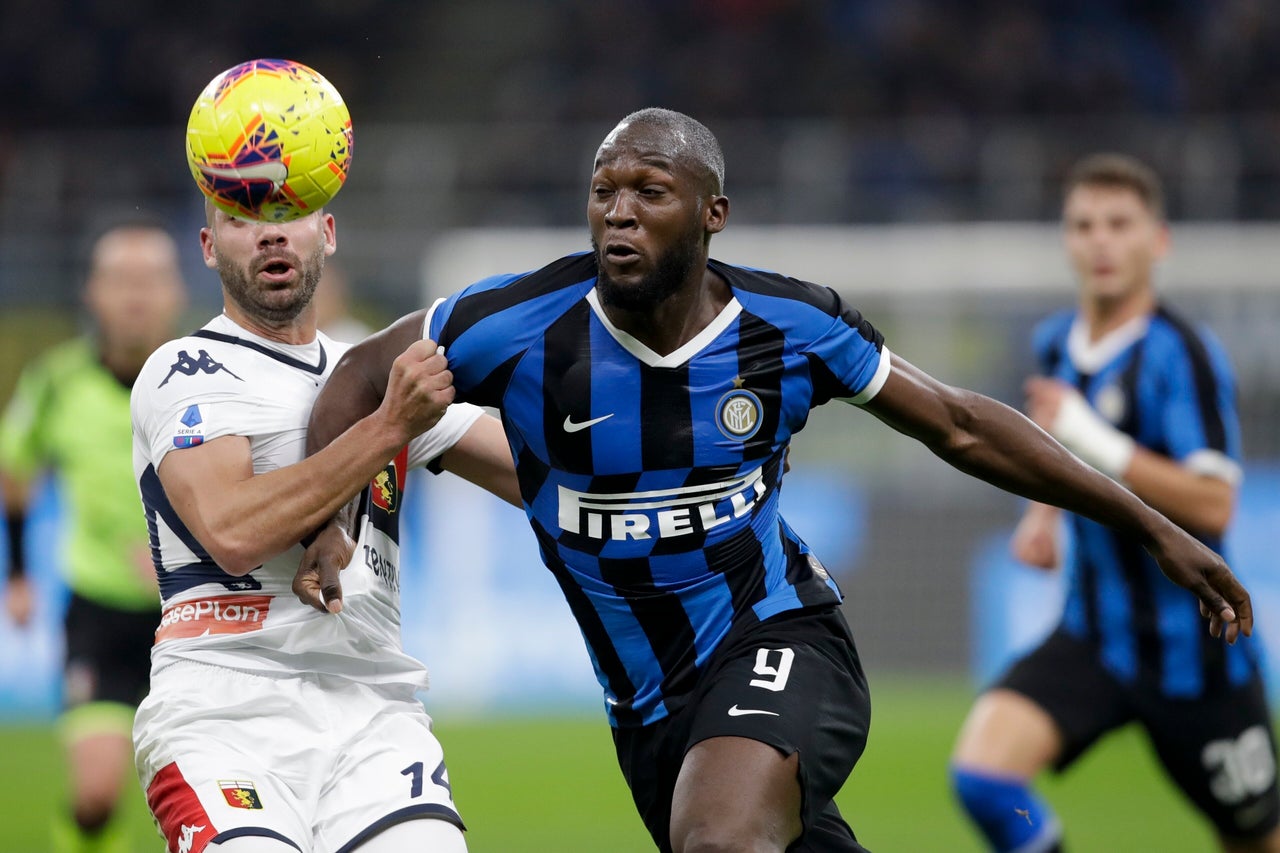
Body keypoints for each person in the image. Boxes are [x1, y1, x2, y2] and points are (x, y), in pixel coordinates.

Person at [303, 110, 1252, 853]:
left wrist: (1150, 525)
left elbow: (960, 425)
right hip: (647, 708)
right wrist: (327, 521)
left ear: (712, 215)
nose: (620, 210)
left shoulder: (790, 326)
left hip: (781, 636)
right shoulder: (510, 325)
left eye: (650, 190)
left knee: (718, 836)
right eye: (604, 192)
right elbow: (352, 378)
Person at [128, 199, 518, 853]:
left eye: (290, 211)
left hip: (372, 709)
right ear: (207, 245)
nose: (270, 231)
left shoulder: (374, 376)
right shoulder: (185, 369)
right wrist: (389, 426)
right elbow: (233, 531)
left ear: (327, 232)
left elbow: (542, 475)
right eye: (240, 218)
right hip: (223, 706)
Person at [949, 154, 1280, 852]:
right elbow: (1054, 457)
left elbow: (1215, 504)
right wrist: (1041, 517)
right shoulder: (1050, 344)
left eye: (1119, 224)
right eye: (1084, 225)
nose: (1101, 241)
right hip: (1093, 637)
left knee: (1254, 838)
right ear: (1067, 241)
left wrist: (1092, 436)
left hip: (1198, 653)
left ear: (1157, 241)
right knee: (983, 777)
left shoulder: (1181, 355)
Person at [0, 220, 186, 853]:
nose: (136, 295)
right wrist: (18, 571)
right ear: (92, 293)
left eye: (150, 280)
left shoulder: (209, 379)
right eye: (120, 280)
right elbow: (15, 468)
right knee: (95, 795)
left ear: (176, 291)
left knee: (215, 790)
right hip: (99, 611)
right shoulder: (56, 382)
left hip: (194, 612)